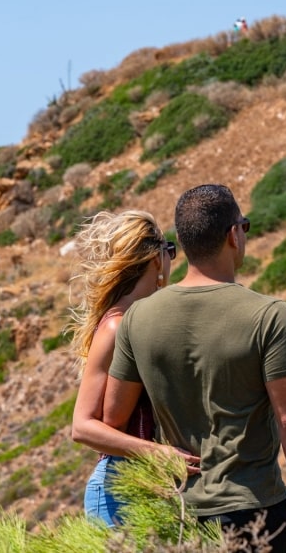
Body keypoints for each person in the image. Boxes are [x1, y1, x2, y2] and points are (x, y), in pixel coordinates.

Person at [105, 185, 286, 553]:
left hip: (176, 514)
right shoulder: (270, 316)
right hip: (254, 512)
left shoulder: (137, 319)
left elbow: (113, 418)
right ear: (233, 235)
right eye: (245, 226)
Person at [68, 210, 199, 527]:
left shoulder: (137, 321)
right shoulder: (116, 327)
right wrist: (158, 454)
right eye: (170, 251)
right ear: (156, 259)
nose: (172, 261)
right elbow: (82, 427)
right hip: (117, 491)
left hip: (143, 486)